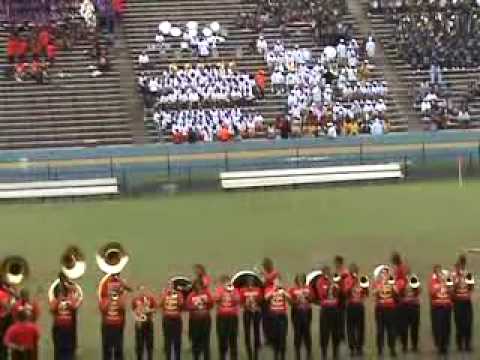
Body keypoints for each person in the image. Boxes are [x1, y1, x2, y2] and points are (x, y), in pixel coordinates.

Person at [49, 274, 82, 360]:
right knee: (59, 349)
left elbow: (75, 305)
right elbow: (52, 308)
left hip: (68, 327)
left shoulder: (71, 290)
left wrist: (70, 294)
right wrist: (59, 299)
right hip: (59, 327)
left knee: (68, 349)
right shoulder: (56, 290)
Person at [315, 266, 341, 359]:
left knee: (336, 332)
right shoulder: (320, 282)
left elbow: (338, 294)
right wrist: (331, 287)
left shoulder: (334, 280)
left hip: (335, 309)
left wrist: (336, 287)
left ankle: (335, 353)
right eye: (326, 272)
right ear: (323, 273)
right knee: (324, 333)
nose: (328, 274)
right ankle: (324, 353)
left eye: (329, 272)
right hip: (325, 310)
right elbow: (322, 294)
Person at [344, 264, 368, 357]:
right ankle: (352, 348)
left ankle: (360, 347)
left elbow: (366, 293)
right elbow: (346, 293)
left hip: (359, 306)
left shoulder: (362, 279)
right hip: (351, 306)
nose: (354, 272)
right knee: (350, 328)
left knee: (360, 328)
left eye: (355, 270)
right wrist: (352, 284)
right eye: (352, 270)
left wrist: (364, 288)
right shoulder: (347, 280)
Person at [373, 266, 398, 357]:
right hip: (380, 309)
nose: (384, 275)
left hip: (390, 309)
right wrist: (380, 286)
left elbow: (397, 292)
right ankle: (380, 348)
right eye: (382, 273)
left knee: (391, 330)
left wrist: (392, 286)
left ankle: (392, 348)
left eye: (386, 273)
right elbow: (374, 293)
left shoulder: (392, 283)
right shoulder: (377, 283)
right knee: (380, 330)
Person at [214, 276, 240, 360]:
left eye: (228, 282)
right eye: (225, 282)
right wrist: (222, 292)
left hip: (232, 317)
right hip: (221, 317)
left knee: (233, 338)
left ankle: (233, 356)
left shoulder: (235, 290)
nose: (227, 284)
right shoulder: (219, 290)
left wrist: (232, 294)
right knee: (222, 338)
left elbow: (238, 300)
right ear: (222, 283)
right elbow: (216, 299)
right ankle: (222, 356)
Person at [187, 279, 213, 360]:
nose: (198, 287)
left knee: (206, 341)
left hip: (206, 320)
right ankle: (196, 357)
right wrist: (196, 306)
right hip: (195, 321)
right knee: (196, 341)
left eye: (200, 285)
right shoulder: (191, 295)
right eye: (197, 285)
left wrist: (206, 302)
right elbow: (187, 306)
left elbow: (211, 304)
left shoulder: (206, 294)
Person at [430, 265, 453, 355]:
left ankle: (445, 345)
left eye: (441, 271)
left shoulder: (447, 280)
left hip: (447, 307)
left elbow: (452, 292)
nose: (440, 273)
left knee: (446, 327)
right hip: (437, 308)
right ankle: (439, 346)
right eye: (438, 272)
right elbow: (432, 293)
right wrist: (440, 285)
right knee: (439, 327)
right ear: (435, 273)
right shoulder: (432, 281)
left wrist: (447, 284)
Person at [452, 255, 474, 352]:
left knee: (468, 323)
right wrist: (458, 278)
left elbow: (471, 287)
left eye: (463, 264)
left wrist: (467, 281)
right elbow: (451, 289)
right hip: (458, 302)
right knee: (459, 323)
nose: (462, 266)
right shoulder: (453, 275)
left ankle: (467, 344)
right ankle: (460, 344)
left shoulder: (468, 274)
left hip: (466, 301)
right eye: (461, 264)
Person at [288, 273, 313, 360]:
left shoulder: (308, 288)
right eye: (299, 279)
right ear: (296, 280)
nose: (300, 281)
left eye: (302, 279)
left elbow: (312, 299)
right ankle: (297, 353)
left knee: (307, 333)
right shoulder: (292, 289)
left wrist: (307, 297)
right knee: (297, 333)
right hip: (296, 313)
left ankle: (309, 352)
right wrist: (296, 301)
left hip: (307, 312)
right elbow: (290, 302)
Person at [264, 280, 290, 360]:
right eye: (276, 282)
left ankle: (282, 356)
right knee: (275, 336)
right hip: (273, 316)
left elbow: (290, 298)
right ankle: (276, 354)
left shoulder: (284, 289)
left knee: (283, 336)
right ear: (273, 283)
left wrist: (284, 292)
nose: (278, 284)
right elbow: (266, 297)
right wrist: (274, 290)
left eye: (279, 282)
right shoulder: (269, 289)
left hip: (282, 315)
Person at [99, 288, 127, 360]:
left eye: (114, 293)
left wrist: (117, 300)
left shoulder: (120, 300)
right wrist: (109, 300)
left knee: (118, 347)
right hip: (107, 327)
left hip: (117, 327)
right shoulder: (105, 300)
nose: (113, 295)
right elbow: (103, 309)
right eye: (111, 293)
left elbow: (122, 307)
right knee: (107, 346)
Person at [159, 280, 184, 360]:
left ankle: (177, 357)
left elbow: (181, 304)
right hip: (167, 320)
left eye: (171, 286)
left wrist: (177, 294)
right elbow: (159, 304)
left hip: (176, 320)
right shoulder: (164, 294)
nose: (170, 287)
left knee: (177, 341)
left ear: (174, 287)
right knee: (167, 341)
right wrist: (163, 295)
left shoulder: (178, 294)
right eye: (168, 286)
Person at [239, 277, 263, 360]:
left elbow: (261, 300)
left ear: (254, 283)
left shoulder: (258, 290)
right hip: (247, 312)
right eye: (248, 283)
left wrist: (256, 305)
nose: (250, 285)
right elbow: (241, 302)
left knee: (256, 331)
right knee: (247, 332)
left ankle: (256, 352)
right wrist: (246, 306)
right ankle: (248, 350)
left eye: (251, 283)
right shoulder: (242, 290)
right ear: (246, 283)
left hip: (256, 312)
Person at [131, 286, 157, 360]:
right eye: (141, 291)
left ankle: (150, 357)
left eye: (144, 290)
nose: (142, 292)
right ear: (138, 292)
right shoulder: (135, 300)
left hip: (149, 323)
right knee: (139, 344)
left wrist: (149, 310)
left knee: (149, 344)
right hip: (139, 324)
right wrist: (137, 313)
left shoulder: (150, 299)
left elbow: (155, 309)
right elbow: (133, 310)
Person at [398, 273, 420, 353]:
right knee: (403, 328)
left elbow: (418, 291)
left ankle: (414, 345)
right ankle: (404, 345)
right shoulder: (400, 281)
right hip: (403, 307)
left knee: (415, 327)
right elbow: (397, 293)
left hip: (414, 306)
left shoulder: (414, 279)